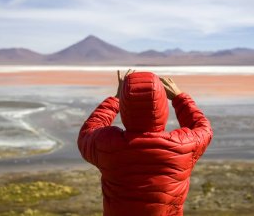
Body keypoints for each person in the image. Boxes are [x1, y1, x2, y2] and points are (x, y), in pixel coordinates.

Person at [78, 70, 213, 216]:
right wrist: (180, 98)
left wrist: (116, 99)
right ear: (162, 106)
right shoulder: (184, 145)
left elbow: (88, 131)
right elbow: (203, 128)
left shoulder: (106, 144)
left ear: (125, 108)